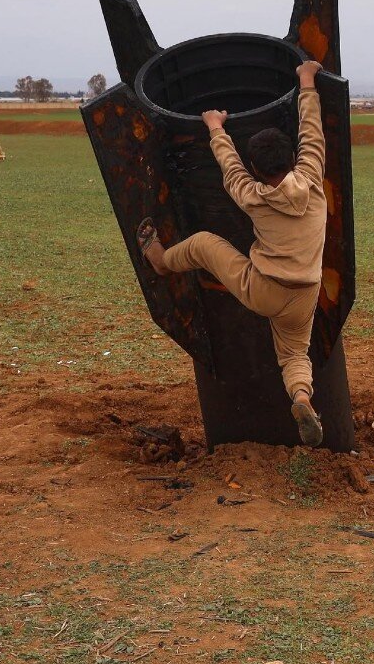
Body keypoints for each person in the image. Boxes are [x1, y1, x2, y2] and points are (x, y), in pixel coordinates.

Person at [136, 60, 328, 446]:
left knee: (205, 244)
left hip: (262, 288)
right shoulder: (312, 179)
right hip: (305, 293)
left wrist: (214, 127)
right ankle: (302, 396)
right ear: (293, 158)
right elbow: (312, 132)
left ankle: (160, 262)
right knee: (293, 354)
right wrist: (306, 81)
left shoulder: (253, 196)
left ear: (257, 168)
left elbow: (230, 169)